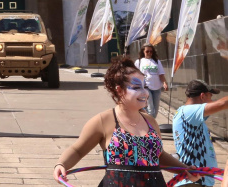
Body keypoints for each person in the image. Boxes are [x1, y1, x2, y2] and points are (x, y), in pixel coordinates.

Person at [54, 57, 194, 186]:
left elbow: (159, 155)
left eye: (145, 86)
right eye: (137, 87)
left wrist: (185, 170)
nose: (145, 93)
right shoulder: (103, 121)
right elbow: (78, 150)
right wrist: (62, 164)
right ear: (119, 90)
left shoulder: (151, 121)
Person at [173, 80, 228, 187]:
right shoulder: (189, 111)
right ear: (202, 96)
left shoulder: (193, 117)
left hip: (197, 181)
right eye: (210, 96)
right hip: (194, 181)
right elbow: (223, 103)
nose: (211, 101)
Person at [137, 44, 168, 118]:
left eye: (151, 51)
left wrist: (164, 83)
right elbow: (135, 74)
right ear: (143, 52)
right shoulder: (139, 62)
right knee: (151, 110)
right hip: (146, 87)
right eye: (147, 51)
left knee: (156, 109)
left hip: (157, 88)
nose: (149, 53)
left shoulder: (157, 62)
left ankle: (148, 123)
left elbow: (161, 74)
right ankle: (151, 126)